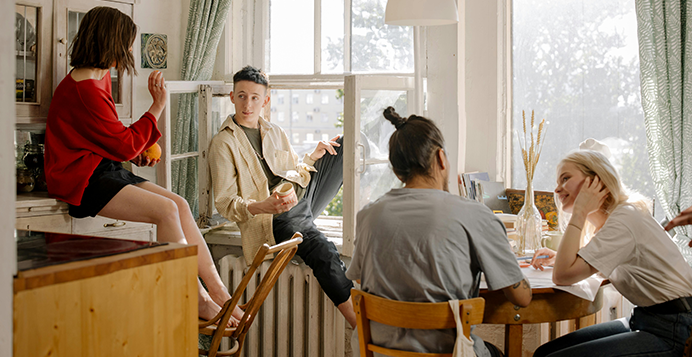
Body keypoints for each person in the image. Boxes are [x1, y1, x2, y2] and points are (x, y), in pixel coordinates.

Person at [44, 6, 242, 324]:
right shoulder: (84, 89)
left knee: (179, 204)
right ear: (112, 42)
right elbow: (123, 143)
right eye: (128, 43)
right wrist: (158, 105)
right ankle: (199, 298)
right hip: (81, 178)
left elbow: (108, 138)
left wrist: (133, 149)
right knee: (164, 211)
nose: (130, 50)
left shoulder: (97, 79)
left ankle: (220, 293)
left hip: (101, 167)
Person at [346, 107, 532, 357]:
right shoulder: (474, 214)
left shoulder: (369, 215)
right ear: (441, 158)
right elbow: (521, 298)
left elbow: (361, 280)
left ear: (396, 170)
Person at [208, 65, 356, 327]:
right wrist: (262, 205)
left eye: (255, 97)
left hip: (299, 197)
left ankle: (306, 222)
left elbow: (293, 173)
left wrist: (313, 156)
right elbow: (226, 202)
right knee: (324, 252)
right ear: (232, 97)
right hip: (275, 218)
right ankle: (360, 324)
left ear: (265, 100)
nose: (247, 104)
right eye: (241, 96)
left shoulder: (275, 131)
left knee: (342, 145)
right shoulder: (223, 143)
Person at [530, 150, 692, 357]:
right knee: (544, 353)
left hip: (675, 328)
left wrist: (579, 212)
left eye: (565, 178)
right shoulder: (614, 221)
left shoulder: (624, 219)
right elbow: (592, 267)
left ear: (595, 181)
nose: (557, 188)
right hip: (647, 319)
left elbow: (562, 276)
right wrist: (561, 257)